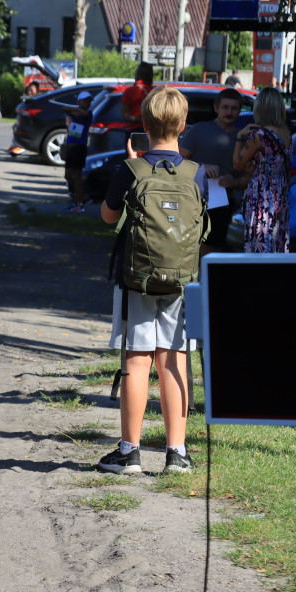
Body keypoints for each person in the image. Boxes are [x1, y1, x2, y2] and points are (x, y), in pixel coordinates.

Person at [97, 86, 208, 475]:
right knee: (174, 361)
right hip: (181, 282)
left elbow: (108, 218)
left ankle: (129, 451)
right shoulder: (198, 175)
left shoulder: (130, 171)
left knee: (137, 362)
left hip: (137, 281)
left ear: (143, 124)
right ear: (182, 126)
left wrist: (132, 168)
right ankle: (177, 453)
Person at [180, 88, 248, 254]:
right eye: (225, 107)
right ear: (216, 108)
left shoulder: (243, 138)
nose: (229, 112)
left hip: (224, 202)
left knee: (212, 250)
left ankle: (206, 279)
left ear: (240, 110)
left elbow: (248, 176)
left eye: (234, 108)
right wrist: (203, 167)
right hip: (193, 198)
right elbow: (178, 162)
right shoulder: (198, 130)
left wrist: (235, 182)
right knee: (187, 247)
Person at [234, 86, 291, 253]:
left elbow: (237, 164)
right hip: (280, 198)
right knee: (276, 247)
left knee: (259, 248)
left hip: (262, 198)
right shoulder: (286, 133)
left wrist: (239, 138)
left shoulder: (259, 135)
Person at [57, 90, 93, 213]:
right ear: (79, 101)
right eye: (86, 100)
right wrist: (68, 109)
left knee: (76, 175)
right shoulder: (75, 113)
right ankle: (82, 195)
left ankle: (79, 203)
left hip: (79, 148)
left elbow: (80, 113)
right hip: (71, 148)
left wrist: (71, 109)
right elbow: (65, 110)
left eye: (89, 101)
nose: (88, 103)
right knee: (68, 175)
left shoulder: (88, 113)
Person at [120, 61, 153, 127]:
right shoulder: (155, 92)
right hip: (151, 131)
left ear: (137, 74)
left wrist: (137, 119)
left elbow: (124, 115)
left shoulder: (129, 91)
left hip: (134, 129)